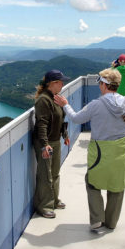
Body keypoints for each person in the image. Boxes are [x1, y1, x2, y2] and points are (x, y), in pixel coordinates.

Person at [53, 68, 125, 233]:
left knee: (92, 182)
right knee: (117, 184)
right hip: (122, 149)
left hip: (100, 151)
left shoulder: (95, 104)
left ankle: (97, 220)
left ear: (104, 85)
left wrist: (66, 105)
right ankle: (111, 222)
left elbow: (76, 118)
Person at [32, 69, 70, 218]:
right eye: (60, 82)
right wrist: (44, 144)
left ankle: (54, 200)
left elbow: (60, 118)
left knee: (54, 173)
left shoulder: (56, 98)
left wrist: (65, 134)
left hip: (55, 141)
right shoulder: (43, 100)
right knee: (45, 175)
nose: (62, 84)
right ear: (52, 83)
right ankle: (44, 206)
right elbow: (41, 123)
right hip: (46, 143)